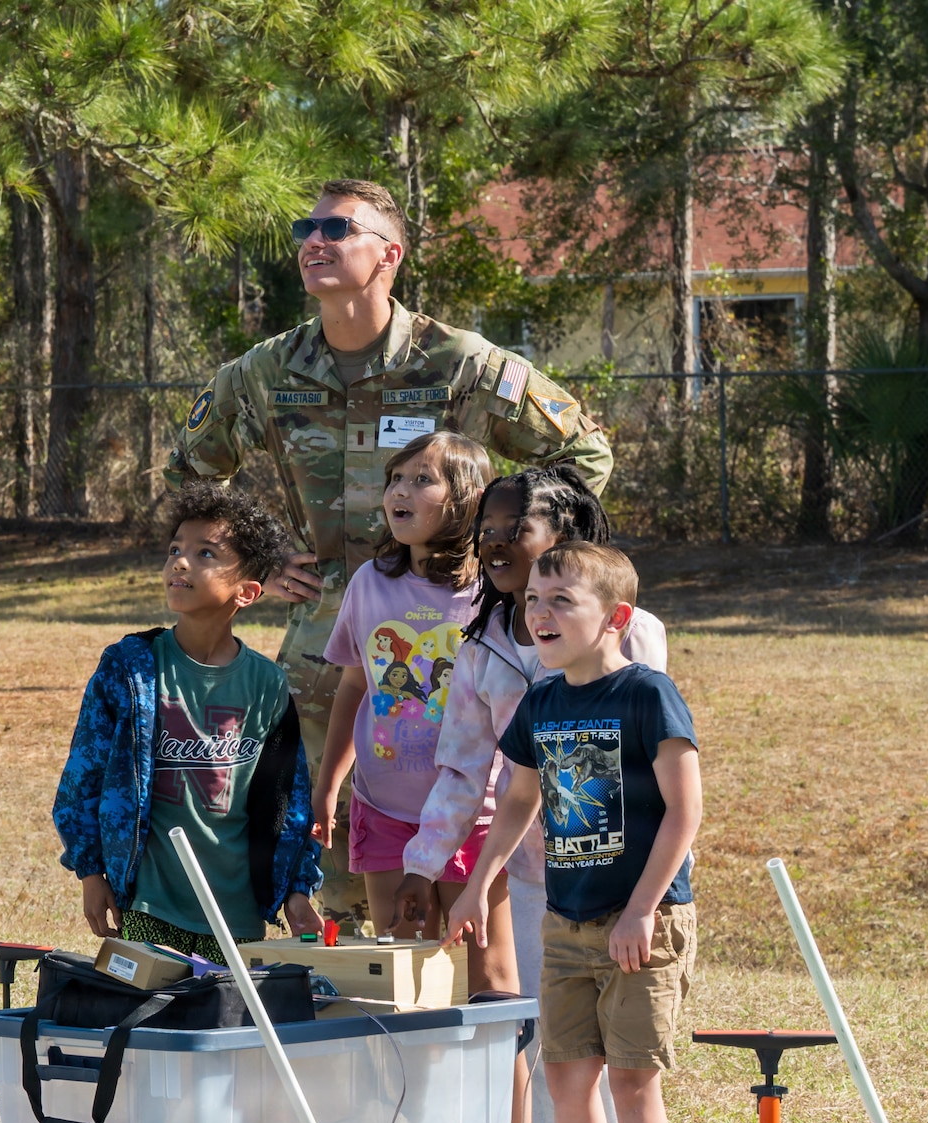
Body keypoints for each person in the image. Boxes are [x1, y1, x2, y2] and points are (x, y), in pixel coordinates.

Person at [166, 177, 615, 930]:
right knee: (327, 863)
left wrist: (499, 557)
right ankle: (342, 1020)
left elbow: (585, 453)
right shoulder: (266, 373)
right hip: (326, 657)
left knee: (461, 874)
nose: (315, 240)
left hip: (455, 647)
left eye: (338, 228)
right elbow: (190, 467)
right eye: (306, 227)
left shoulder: (460, 365)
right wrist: (263, 556)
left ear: (388, 255)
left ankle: (481, 1027)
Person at [398, 465, 664, 1123]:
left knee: (626, 1057)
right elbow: (464, 769)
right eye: (488, 527)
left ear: (565, 537)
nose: (495, 541)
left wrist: (641, 895)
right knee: (561, 1050)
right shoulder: (482, 645)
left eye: (516, 526)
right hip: (539, 881)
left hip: (624, 886)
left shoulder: (630, 633)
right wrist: (429, 865)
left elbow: (651, 764)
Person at [442, 542, 701, 1123]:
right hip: (566, 921)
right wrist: (476, 883)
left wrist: (643, 909)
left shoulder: (648, 695)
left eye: (562, 601)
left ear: (615, 617)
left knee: (631, 1079)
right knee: (565, 1075)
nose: (540, 614)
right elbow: (518, 799)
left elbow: (686, 811)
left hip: (639, 923)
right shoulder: (543, 702)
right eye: (533, 601)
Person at [54, 483, 326, 964]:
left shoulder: (267, 684)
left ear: (247, 592)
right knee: (147, 1027)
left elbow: (288, 803)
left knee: (226, 1030)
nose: (180, 562)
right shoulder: (129, 668)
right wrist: (91, 872)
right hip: (148, 906)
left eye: (205, 553)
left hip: (238, 917)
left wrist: (296, 891)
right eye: (175, 549)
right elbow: (83, 777)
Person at [307, 430, 494, 941]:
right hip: (382, 806)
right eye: (394, 479)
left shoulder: (493, 593)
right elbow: (353, 687)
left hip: (470, 811)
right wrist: (328, 787)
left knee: (476, 963)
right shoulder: (368, 581)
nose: (399, 492)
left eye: (421, 480)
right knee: (400, 952)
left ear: (468, 500)